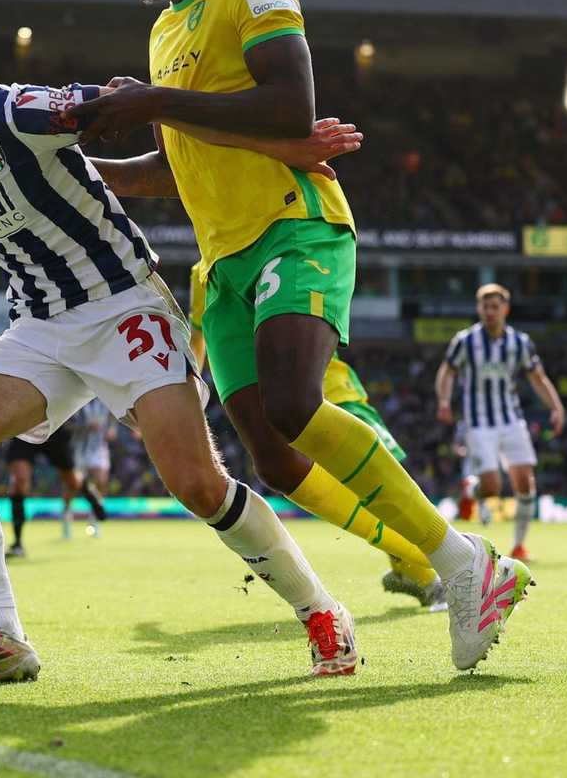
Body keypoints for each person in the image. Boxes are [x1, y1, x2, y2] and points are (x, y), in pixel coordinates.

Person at [68, 0, 530, 669]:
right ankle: (432, 560)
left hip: (293, 224)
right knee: (277, 456)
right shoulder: (164, 33)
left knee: (295, 401)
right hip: (223, 263)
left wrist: (155, 102)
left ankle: (462, 563)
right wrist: (82, 168)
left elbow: (288, 107)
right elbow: (178, 162)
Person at [0, 19, 358, 684]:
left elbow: (134, 106)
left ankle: (321, 611)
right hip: (40, 324)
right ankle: (1, 636)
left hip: (122, 306)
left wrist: (280, 143)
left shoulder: (19, 111)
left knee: (197, 486)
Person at [188, 262, 447, 612]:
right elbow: (198, 335)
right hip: (285, 398)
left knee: (382, 478)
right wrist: (189, 398)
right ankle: (432, 569)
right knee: (361, 483)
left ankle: (418, 568)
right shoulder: (203, 275)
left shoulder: (279, 238)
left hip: (333, 388)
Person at [437, 284, 566, 561]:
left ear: (505, 309)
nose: (490, 312)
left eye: (495, 306)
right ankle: (471, 491)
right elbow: (447, 371)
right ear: (479, 309)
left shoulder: (519, 342)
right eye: (485, 307)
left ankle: (519, 545)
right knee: (492, 487)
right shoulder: (465, 341)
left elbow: (538, 378)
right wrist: (444, 400)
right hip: (479, 422)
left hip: (511, 419)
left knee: (524, 481)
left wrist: (556, 406)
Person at [2, 422, 106, 557]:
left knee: (72, 481)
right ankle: (17, 544)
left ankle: (92, 497)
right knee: (19, 481)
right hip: (24, 428)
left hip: (52, 426)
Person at [68, 399, 116, 538]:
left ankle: (94, 520)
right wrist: (85, 427)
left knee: (101, 481)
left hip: (99, 447)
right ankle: (67, 517)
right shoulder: (78, 399)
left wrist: (112, 430)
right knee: (73, 485)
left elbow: (113, 417)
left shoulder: (104, 399)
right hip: (79, 448)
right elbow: (67, 425)